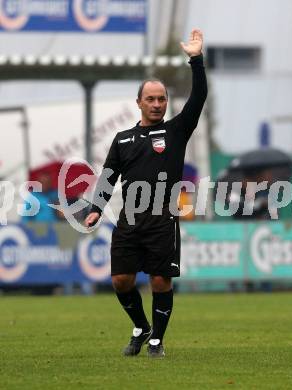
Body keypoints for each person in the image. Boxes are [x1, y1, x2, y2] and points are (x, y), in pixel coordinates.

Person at [85, 29, 208, 358]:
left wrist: (195, 60)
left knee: (159, 281)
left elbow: (198, 99)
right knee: (121, 281)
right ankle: (140, 327)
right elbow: (108, 176)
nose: (156, 104)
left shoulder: (177, 130)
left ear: (166, 102)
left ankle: (157, 340)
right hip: (130, 219)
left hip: (163, 218)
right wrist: (96, 207)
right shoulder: (123, 139)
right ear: (138, 103)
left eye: (161, 99)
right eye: (150, 99)